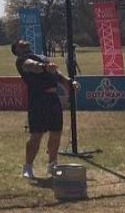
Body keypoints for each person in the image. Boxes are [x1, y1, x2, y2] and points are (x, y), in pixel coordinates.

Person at [12, 39, 78, 180]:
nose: (24, 42)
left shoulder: (41, 56)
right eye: (20, 43)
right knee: (36, 135)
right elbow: (31, 66)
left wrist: (69, 82)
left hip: (53, 98)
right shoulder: (22, 60)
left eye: (25, 42)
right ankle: (28, 167)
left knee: (56, 132)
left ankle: (52, 165)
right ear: (17, 50)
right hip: (38, 99)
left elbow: (58, 74)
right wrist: (43, 66)